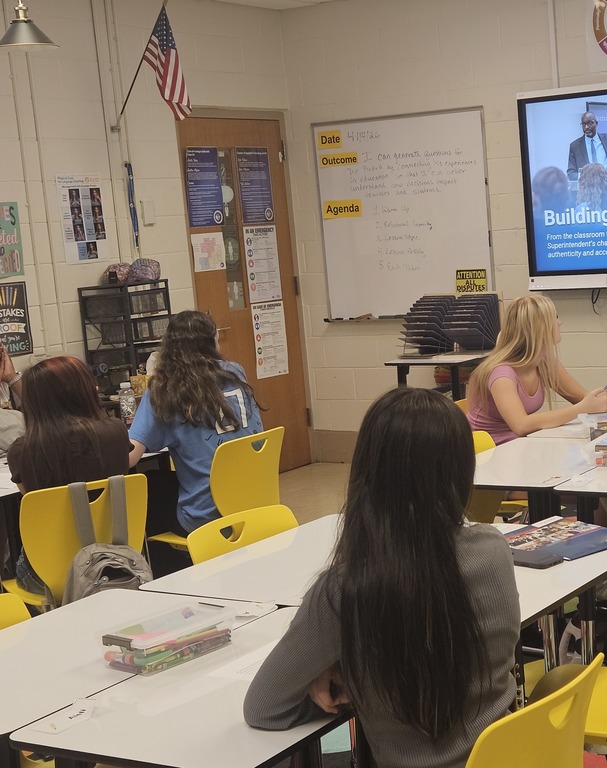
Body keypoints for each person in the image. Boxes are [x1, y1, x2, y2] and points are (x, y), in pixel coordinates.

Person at [244, 388, 520, 768]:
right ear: (461, 470)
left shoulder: (345, 589)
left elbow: (264, 708)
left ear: (366, 475)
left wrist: (348, 678)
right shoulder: (492, 550)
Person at [127, 310, 264, 535]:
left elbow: (130, 456)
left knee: (144, 489)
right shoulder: (235, 372)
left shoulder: (164, 390)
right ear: (212, 340)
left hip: (206, 517)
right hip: (253, 503)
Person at [7, 356, 130, 594]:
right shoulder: (116, 432)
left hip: (50, 570)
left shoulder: (22, 452)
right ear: (82, 391)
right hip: (117, 555)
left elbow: (36, 504)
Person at [466, 294, 607, 444]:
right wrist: (581, 408)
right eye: (555, 318)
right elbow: (521, 425)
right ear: (539, 328)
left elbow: (581, 398)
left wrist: (605, 401)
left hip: (520, 443)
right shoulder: (502, 374)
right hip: (490, 451)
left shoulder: (544, 362)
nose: (560, 323)